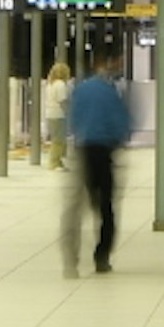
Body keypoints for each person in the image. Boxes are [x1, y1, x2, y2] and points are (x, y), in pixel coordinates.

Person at [62, 44, 131, 275]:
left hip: (82, 150)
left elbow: (72, 119)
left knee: (74, 206)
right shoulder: (112, 90)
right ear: (109, 62)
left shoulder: (81, 89)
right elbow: (122, 123)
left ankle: (70, 261)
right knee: (105, 207)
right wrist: (120, 138)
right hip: (104, 151)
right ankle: (101, 257)